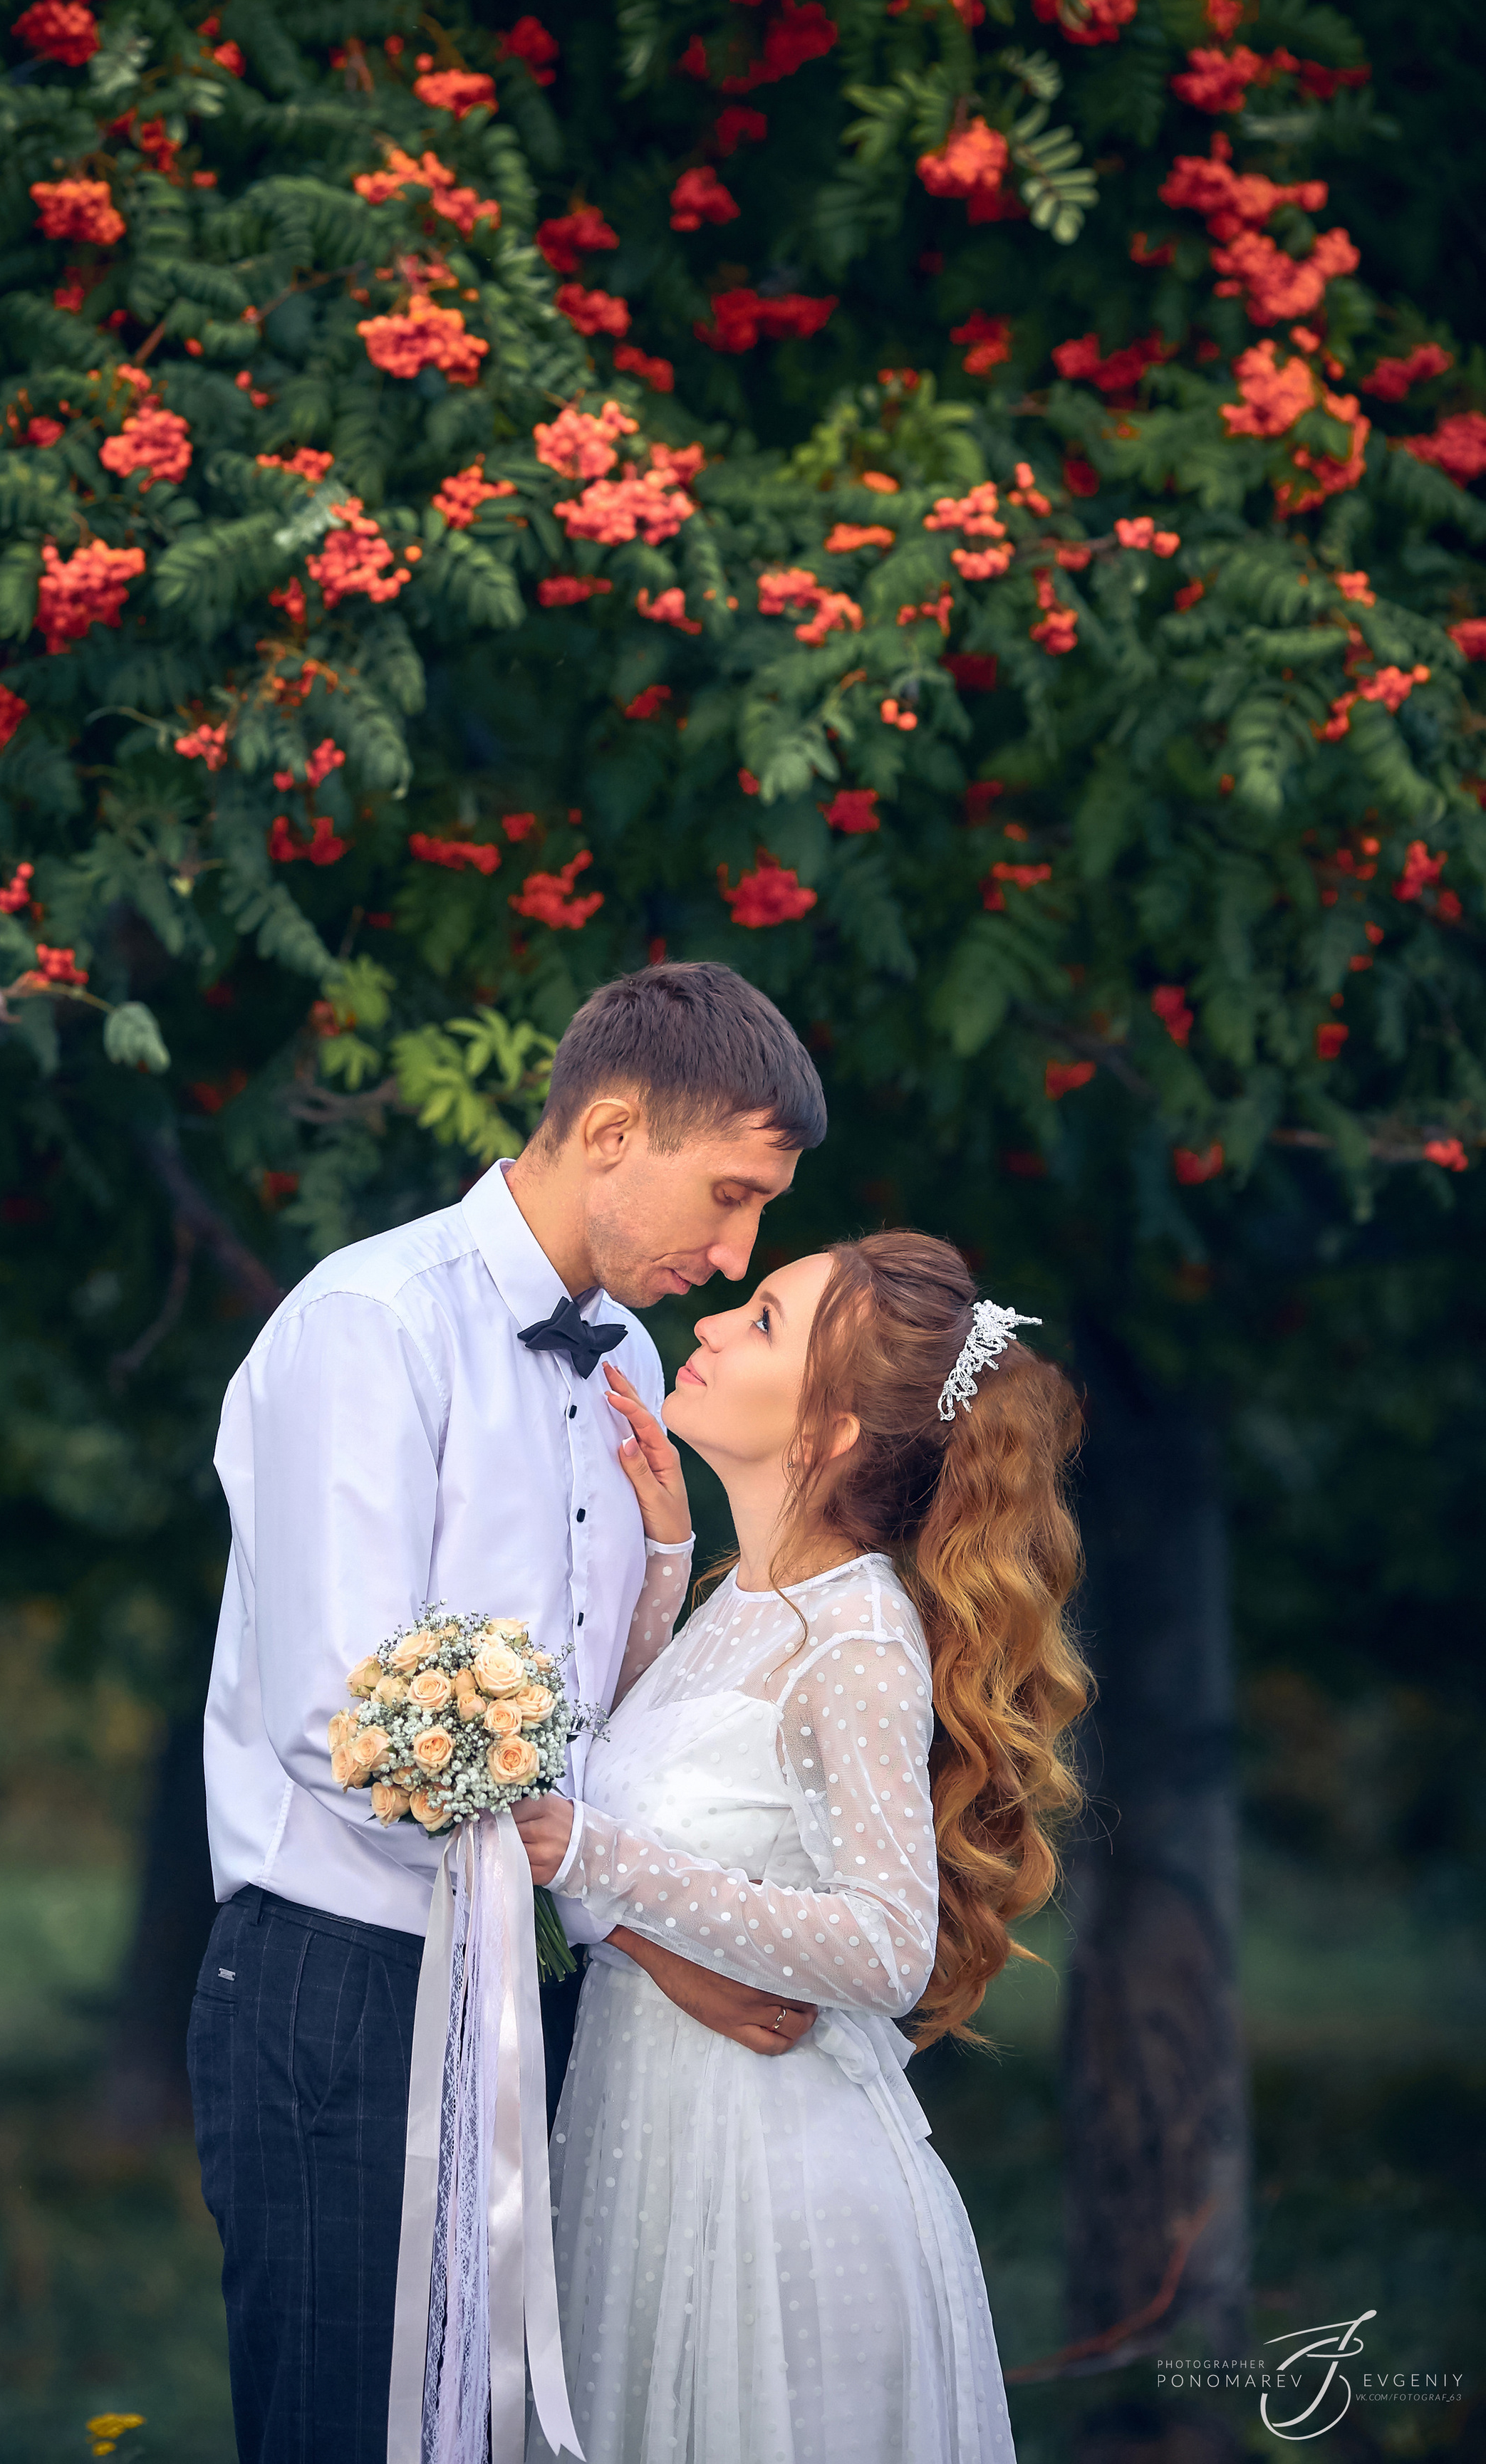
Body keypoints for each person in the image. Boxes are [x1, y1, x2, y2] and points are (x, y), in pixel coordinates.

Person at [189, 961, 829, 2464]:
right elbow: (349, 1723)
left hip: (540, 1983)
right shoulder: (369, 1323)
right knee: (345, 2429)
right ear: (610, 1130)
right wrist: (647, 1929)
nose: (738, 1252)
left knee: (510, 2427)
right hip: (339, 1981)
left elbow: (598, 1715)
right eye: (728, 1197)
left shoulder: (632, 1359)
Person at [515, 1231, 1095, 2464]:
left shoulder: (857, 1645)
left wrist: (595, 1865)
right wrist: (667, 1564)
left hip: (769, 2194)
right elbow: (635, 1799)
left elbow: (889, 1947)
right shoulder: (751, 1597)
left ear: (828, 1433)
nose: (716, 1323)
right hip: (653, 2150)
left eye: (765, 1321)